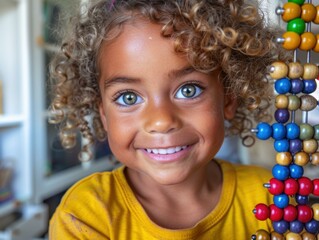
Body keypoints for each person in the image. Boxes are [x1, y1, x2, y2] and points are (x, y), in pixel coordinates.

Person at [48, 0, 288, 239]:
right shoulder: (85, 215)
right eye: (128, 97)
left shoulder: (271, 196)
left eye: (189, 90)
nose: (161, 121)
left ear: (228, 99)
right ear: (103, 114)